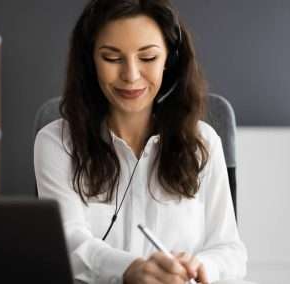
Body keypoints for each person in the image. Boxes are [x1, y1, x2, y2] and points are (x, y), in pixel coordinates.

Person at [34, 0, 248, 283]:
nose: (131, 75)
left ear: (169, 61)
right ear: (90, 62)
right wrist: (130, 269)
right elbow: (68, 242)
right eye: (112, 58)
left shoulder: (203, 141)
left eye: (147, 58)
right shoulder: (57, 142)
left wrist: (200, 267)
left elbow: (231, 251)